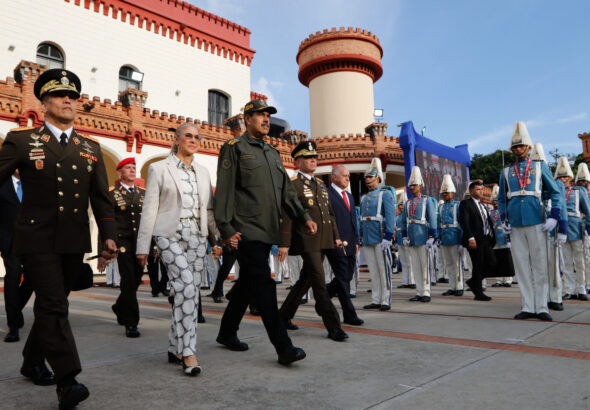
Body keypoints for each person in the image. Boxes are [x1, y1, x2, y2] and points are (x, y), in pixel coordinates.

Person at [0, 68, 117, 408]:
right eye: (59, 95)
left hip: (73, 240)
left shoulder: (90, 148)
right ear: (44, 101)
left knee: (56, 305)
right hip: (35, 238)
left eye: (73, 96)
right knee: (53, 305)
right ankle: (68, 380)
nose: (68, 100)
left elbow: (101, 199)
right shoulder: (22, 140)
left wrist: (107, 236)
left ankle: (32, 360)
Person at [214, 99, 314, 365]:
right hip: (246, 231)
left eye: (268, 115)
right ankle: (284, 347)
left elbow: (287, 192)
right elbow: (224, 191)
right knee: (265, 284)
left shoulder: (272, 154)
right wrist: (226, 227)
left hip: (267, 230)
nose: (266, 119)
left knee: (247, 284)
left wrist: (303, 217)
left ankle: (226, 332)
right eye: (259, 115)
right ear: (247, 119)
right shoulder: (234, 148)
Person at [136, 123, 220, 376]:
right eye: (188, 136)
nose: (193, 140)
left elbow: (208, 210)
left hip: (197, 235)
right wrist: (143, 246)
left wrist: (220, 236)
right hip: (168, 233)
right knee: (185, 286)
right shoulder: (159, 169)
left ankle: (174, 346)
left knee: (190, 292)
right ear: (176, 139)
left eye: (197, 137)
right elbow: (150, 207)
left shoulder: (204, 172)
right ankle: (188, 352)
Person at [277, 142, 347, 341]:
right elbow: (287, 214)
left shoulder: (321, 185)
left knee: (305, 281)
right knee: (319, 282)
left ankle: (282, 317)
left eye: (314, 156)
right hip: (307, 240)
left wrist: (336, 237)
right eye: (308, 157)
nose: (313, 159)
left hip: (323, 240)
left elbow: (330, 215)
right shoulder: (293, 185)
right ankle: (333, 326)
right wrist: (284, 242)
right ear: (297, 161)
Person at [498, 121, 566, 321]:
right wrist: (503, 218)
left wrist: (554, 216)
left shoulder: (539, 166)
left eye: (521, 146)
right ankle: (528, 305)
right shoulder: (506, 171)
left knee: (540, 264)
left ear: (528, 148)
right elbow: (502, 198)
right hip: (516, 222)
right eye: (515, 147)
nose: (518, 149)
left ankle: (542, 306)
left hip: (537, 219)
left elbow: (555, 192)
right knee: (521, 266)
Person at [99, 157, 145, 338]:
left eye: (134, 167)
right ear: (120, 172)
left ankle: (119, 306)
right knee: (128, 280)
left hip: (140, 244)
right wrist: (104, 248)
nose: (132, 170)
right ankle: (131, 323)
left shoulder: (143, 193)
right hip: (122, 244)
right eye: (128, 167)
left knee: (136, 279)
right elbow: (106, 222)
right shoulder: (112, 193)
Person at [324, 165, 363, 325]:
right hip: (336, 243)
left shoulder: (349, 196)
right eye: (344, 175)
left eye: (348, 175)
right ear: (334, 177)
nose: (348, 178)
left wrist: (355, 241)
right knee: (342, 278)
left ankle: (325, 293)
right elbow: (327, 220)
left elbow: (353, 221)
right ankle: (349, 314)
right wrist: (334, 238)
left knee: (347, 276)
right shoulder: (327, 194)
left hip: (350, 243)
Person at [360, 158, 397, 310]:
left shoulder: (385, 194)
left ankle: (385, 299)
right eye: (366, 177)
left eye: (370, 177)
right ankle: (376, 298)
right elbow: (361, 218)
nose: (367, 180)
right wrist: (361, 235)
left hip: (381, 237)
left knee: (383, 269)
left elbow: (390, 215)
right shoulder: (364, 197)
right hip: (369, 237)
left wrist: (388, 236)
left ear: (378, 179)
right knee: (374, 271)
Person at [1, 170, 33, 342]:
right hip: (10, 242)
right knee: (12, 279)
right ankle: (13, 326)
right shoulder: (2, 183)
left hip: (33, 243)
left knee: (33, 278)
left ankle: (15, 310)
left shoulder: (34, 184)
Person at [554, 157, 590, 302]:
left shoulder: (578, 191)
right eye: (560, 176)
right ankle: (569, 289)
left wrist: (588, 225)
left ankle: (581, 289)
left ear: (570, 177)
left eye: (565, 176)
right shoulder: (555, 192)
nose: (563, 179)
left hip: (576, 226)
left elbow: (587, 210)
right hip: (561, 228)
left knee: (579, 261)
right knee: (565, 262)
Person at [400, 166, 437, 302]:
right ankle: (419, 291)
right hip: (412, 239)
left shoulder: (427, 201)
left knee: (425, 266)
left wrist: (432, 237)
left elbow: (432, 219)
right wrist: (404, 236)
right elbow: (403, 221)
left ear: (421, 185)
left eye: (415, 185)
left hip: (423, 237)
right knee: (415, 266)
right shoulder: (407, 203)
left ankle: (426, 292)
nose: (412, 187)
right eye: (410, 185)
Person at [458, 180, 495, 301]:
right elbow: (465, 222)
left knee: (492, 263)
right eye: (478, 189)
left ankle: (474, 281)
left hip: (485, 239)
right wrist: (470, 237)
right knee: (478, 265)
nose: (481, 191)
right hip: (474, 240)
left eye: (482, 189)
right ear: (472, 191)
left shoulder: (483, 205)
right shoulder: (466, 204)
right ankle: (478, 293)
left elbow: (487, 222)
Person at [438, 175, 464, 296]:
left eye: (447, 192)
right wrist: (438, 238)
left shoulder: (458, 206)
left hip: (455, 238)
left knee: (456, 263)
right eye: (444, 192)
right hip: (444, 238)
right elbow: (439, 223)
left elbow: (462, 224)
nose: (445, 194)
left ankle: (459, 286)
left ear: (453, 193)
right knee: (448, 263)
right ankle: (452, 287)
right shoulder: (441, 207)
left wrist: (462, 241)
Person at [489, 185, 515, 288]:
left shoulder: (505, 211)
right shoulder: (490, 212)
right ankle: (499, 279)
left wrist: (509, 239)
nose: (495, 202)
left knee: (506, 258)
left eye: (496, 200)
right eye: (493, 200)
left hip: (504, 236)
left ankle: (508, 279)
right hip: (495, 238)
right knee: (497, 259)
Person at [575, 163, 590, 290]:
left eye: (585, 180)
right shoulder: (576, 193)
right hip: (582, 227)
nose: (583, 183)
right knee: (585, 257)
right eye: (580, 181)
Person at [395, 194, 415, 289]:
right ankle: (405, 281)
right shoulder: (398, 216)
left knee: (410, 261)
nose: (401, 206)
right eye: (400, 204)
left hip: (407, 239)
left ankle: (412, 281)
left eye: (403, 204)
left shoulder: (409, 215)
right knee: (403, 261)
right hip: (400, 239)